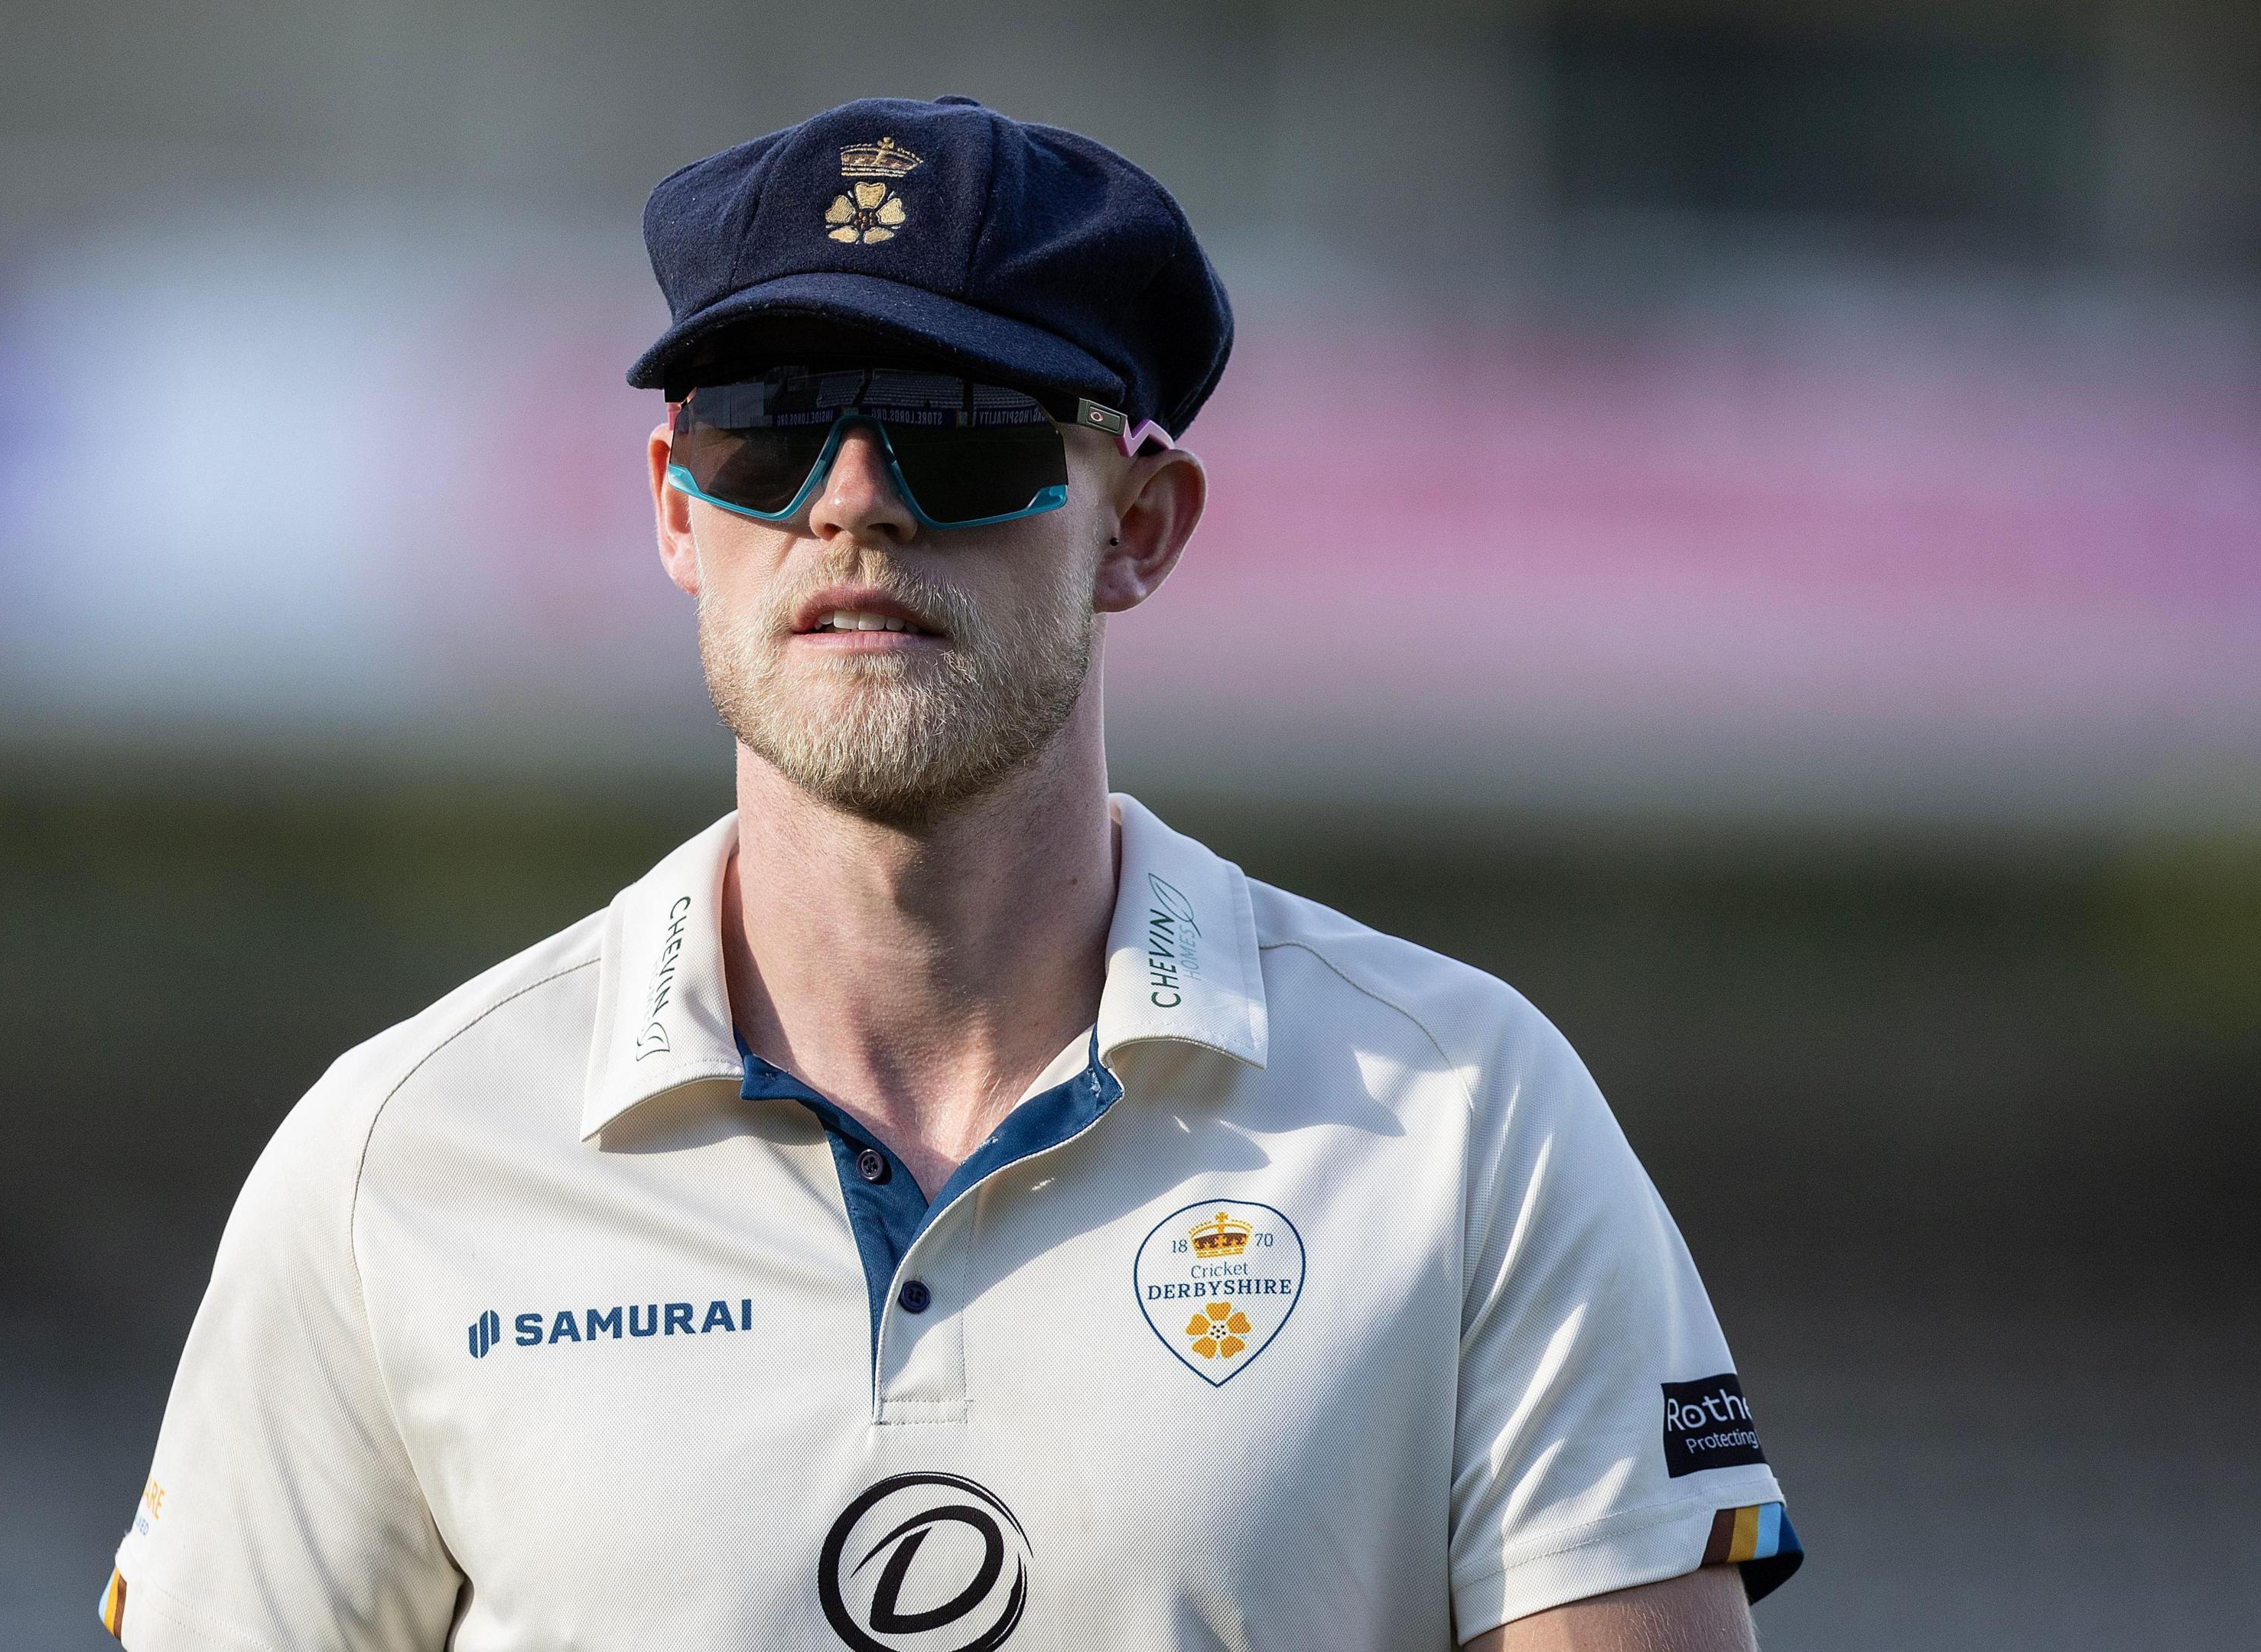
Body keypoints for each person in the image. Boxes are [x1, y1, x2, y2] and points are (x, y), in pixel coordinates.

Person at [99, 95, 1801, 1652]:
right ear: (678, 507)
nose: (853, 503)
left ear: (1139, 527)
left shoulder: (1467, 1117)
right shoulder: (393, 1160)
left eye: (963, 426)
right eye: (768, 428)